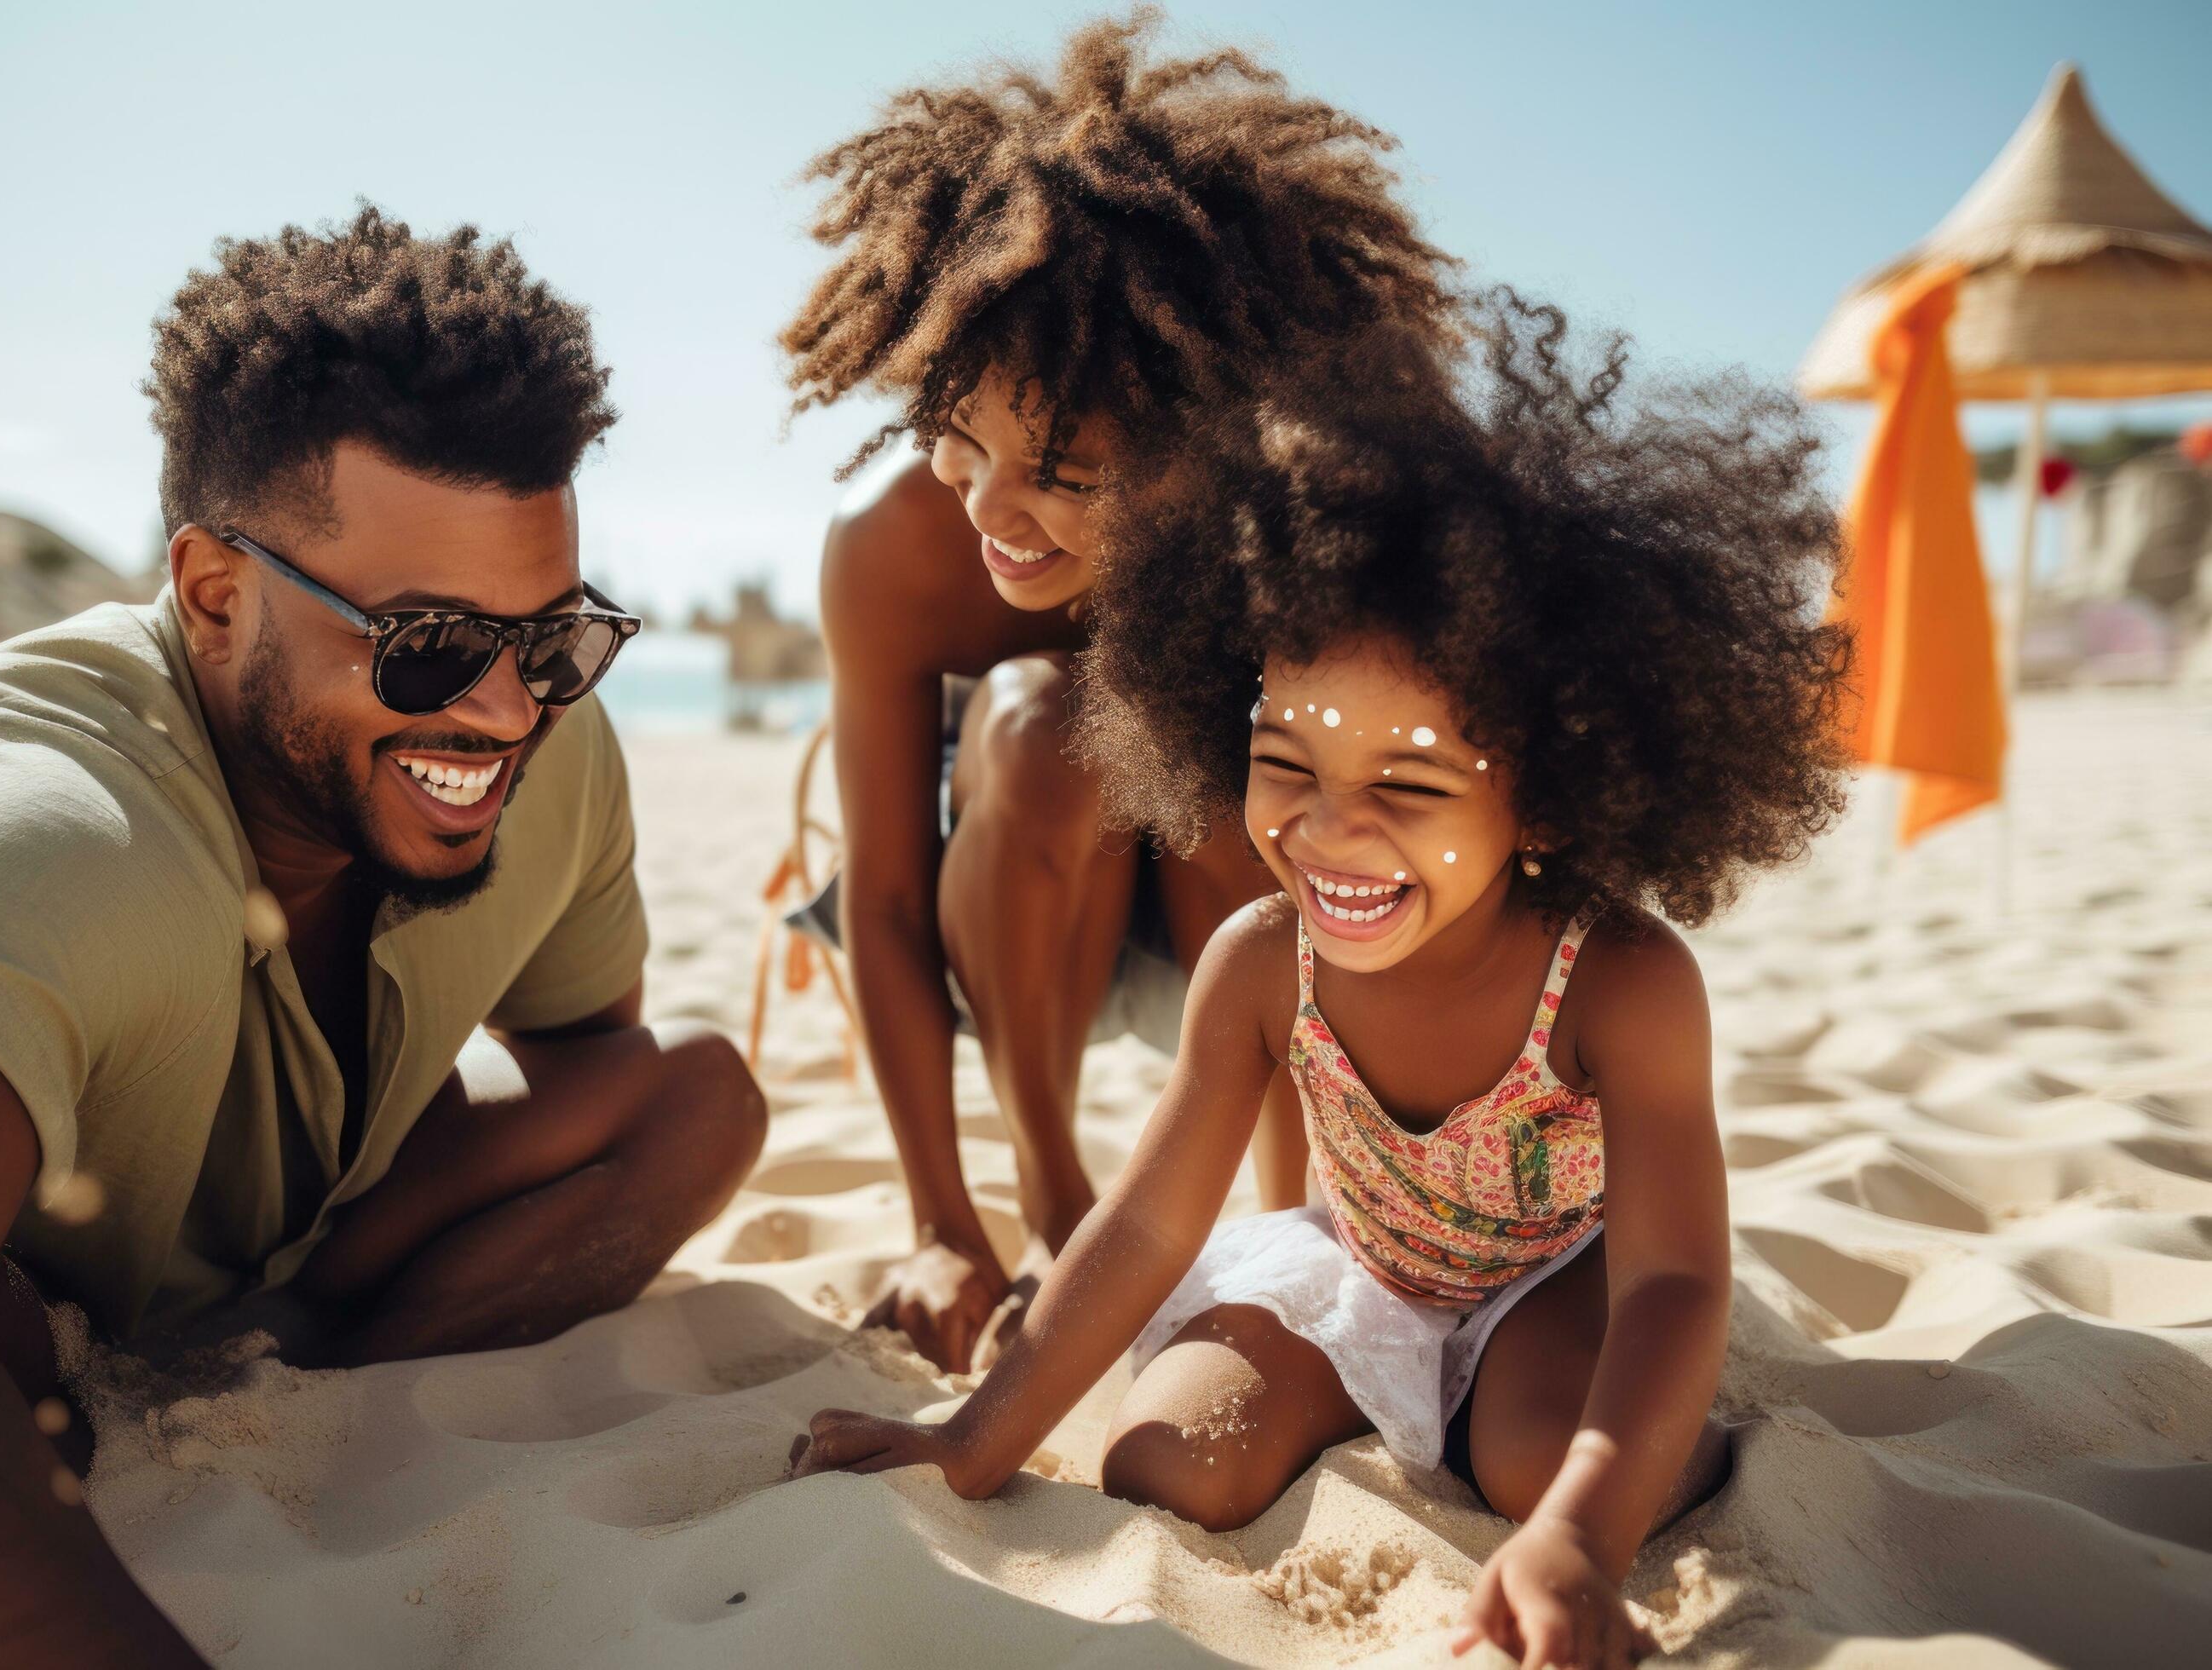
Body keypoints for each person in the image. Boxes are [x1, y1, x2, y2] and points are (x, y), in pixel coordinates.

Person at [0, 207, 767, 1665]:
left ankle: (275, 1359)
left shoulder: (546, 751)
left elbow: (590, 1056)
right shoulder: (48, 824)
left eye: (556, 639)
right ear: (215, 596)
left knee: (692, 1100)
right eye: (432, 647)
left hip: (225, 1285)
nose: (510, 711)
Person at [790, 300, 1852, 1669]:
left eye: (1408, 785)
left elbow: (1674, 1284)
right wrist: (972, 1437)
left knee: (1535, 1461)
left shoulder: (1622, 984)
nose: (1329, 830)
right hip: (1362, 1266)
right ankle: (1390, 1393)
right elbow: (1147, 1227)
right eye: (1285, 763)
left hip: (1553, 1286)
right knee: (1167, 1460)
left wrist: (1581, 1542)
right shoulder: (1258, 962)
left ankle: (1565, 1441)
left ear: (1545, 793)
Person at [782, 11, 1460, 1371]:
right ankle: (1053, 1212)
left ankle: (1295, 1224)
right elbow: (893, 901)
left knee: (1244, 757)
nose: (998, 510)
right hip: (1013, 916)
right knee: (1047, 723)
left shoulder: (1292, 526)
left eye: (1065, 470)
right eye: (959, 438)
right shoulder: (895, 550)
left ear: (1205, 425)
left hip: (1244, 902)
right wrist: (937, 1226)